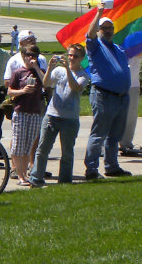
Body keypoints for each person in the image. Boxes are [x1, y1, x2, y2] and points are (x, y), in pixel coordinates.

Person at [30, 44, 88, 186]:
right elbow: (46, 83)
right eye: (70, 55)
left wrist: (68, 69)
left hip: (70, 119)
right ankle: (36, 179)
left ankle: (65, 181)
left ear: (82, 58)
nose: (71, 58)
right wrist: (50, 67)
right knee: (42, 149)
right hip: (52, 115)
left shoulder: (83, 75)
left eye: (75, 56)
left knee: (67, 153)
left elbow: (75, 87)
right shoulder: (58, 70)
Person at [83, 15, 133, 179]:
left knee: (114, 136)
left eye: (110, 27)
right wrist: (99, 12)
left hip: (122, 97)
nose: (107, 30)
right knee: (99, 134)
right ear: (98, 30)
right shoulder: (95, 46)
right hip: (104, 96)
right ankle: (91, 169)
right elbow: (89, 35)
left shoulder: (118, 49)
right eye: (103, 27)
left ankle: (112, 166)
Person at [7, 44, 47, 186]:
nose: (31, 58)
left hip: (35, 112)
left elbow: (46, 83)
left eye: (34, 55)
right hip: (21, 111)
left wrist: (36, 68)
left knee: (29, 145)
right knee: (19, 145)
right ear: (23, 55)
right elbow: (10, 91)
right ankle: (21, 176)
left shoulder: (39, 71)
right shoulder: (18, 72)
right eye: (29, 55)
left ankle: (25, 175)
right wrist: (23, 91)